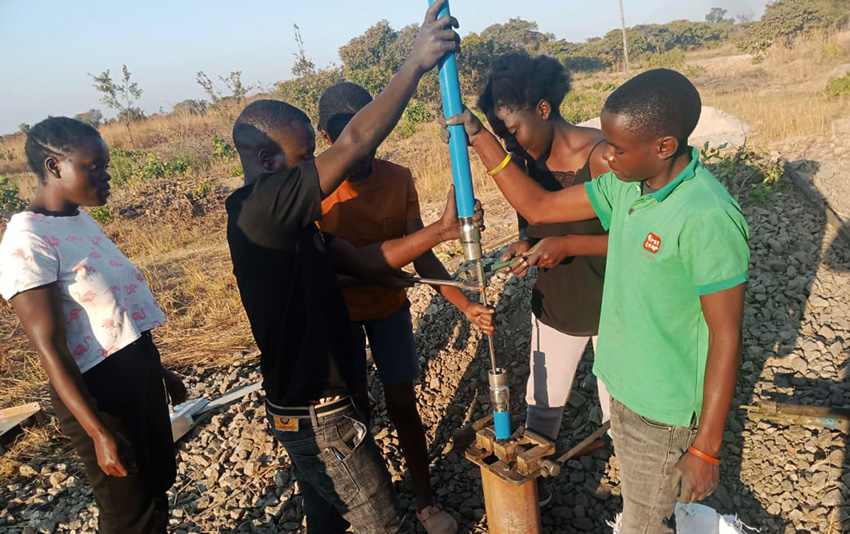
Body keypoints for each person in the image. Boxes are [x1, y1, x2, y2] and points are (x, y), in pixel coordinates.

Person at [444, 68, 749, 533]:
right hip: (623, 387)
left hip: (664, 411)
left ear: (664, 146)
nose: (607, 155)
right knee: (641, 505)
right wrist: (480, 137)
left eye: (619, 149)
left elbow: (726, 335)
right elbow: (542, 209)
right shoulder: (628, 184)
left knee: (645, 525)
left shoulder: (707, 216)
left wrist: (705, 448)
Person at [225, 3, 466, 532]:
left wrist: (441, 233)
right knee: (379, 521)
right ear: (267, 161)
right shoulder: (263, 208)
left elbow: (362, 260)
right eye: (306, 156)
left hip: (309, 409)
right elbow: (357, 140)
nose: (317, 167)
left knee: (329, 518)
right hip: (318, 411)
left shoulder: (292, 223)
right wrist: (415, 63)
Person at [315, 81, 493, 534]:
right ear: (325, 138)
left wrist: (464, 304)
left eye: (371, 137)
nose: (362, 151)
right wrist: (371, 272)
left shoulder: (398, 178)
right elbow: (316, 273)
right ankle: (370, 498)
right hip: (340, 316)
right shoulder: (313, 190)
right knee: (354, 412)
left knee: (403, 403)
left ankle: (425, 500)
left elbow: (422, 253)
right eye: (349, 138)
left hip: (389, 308)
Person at [0, 117, 187, 534]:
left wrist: (157, 371)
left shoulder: (80, 221)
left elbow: (113, 317)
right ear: (54, 167)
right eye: (94, 167)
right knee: (127, 514)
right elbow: (50, 348)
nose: (106, 177)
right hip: (99, 398)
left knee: (157, 488)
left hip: (137, 379)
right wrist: (98, 431)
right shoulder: (27, 240)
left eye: (106, 165)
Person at [473, 53, 612, 504]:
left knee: (620, 408)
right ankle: (535, 488)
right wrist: (526, 244)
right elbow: (532, 222)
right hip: (558, 299)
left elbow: (638, 240)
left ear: (545, 110)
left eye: (511, 130)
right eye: (500, 137)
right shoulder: (524, 161)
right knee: (543, 400)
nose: (509, 143)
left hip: (616, 303)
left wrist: (567, 244)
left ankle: (637, 493)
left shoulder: (603, 155)